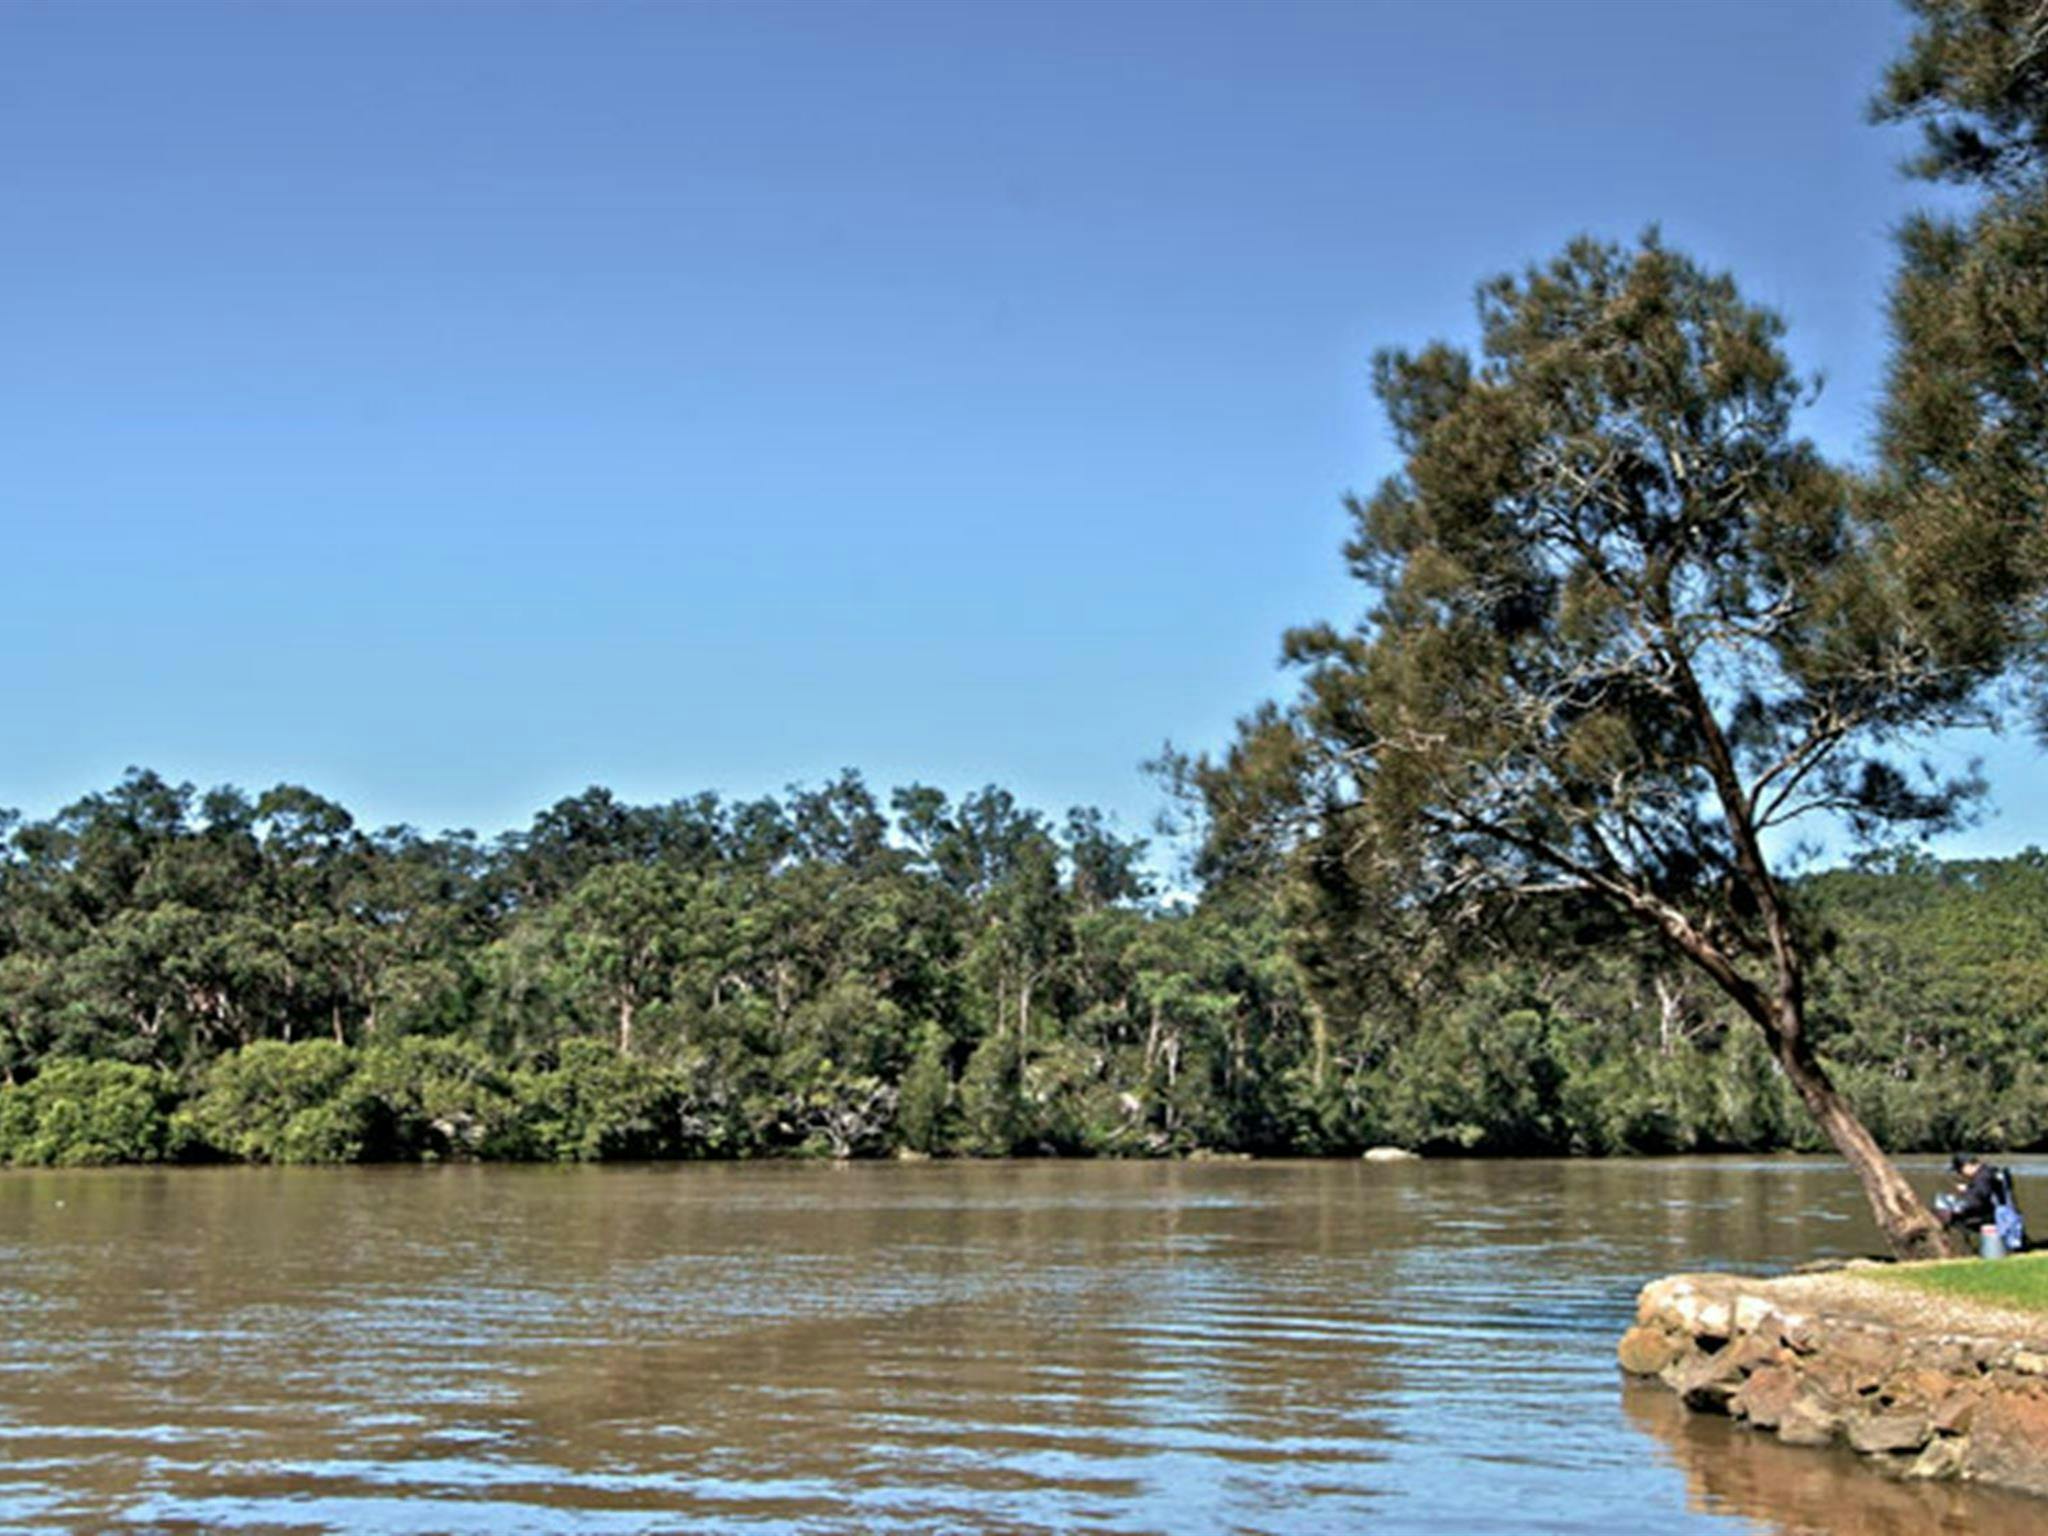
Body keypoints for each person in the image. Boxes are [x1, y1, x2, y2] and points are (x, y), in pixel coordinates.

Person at [1933, 1152, 2002, 1232]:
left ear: (1967, 1165)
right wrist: (1969, 1188)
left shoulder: (1982, 1178)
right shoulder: (1988, 1171)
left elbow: (1974, 1203)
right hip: (1996, 1215)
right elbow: (1983, 1193)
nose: (1960, 1174)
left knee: (1946, 1216)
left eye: (1959, 1171)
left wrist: (1958, 1207)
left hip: (1992, 1219)